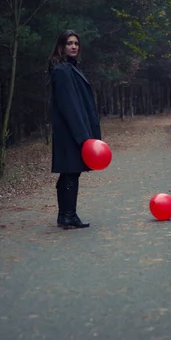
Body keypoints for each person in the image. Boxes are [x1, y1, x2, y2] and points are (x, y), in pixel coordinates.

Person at [48, 30, 101, 229]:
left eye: (76, 43)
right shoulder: (61, 71)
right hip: (69, 131)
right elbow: (69, 105)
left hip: (73, 130)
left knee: (70, 172)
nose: (74, 47)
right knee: (71, 171)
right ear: (61, 46)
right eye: (69, 43)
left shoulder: (70, 68)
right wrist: (82, 136)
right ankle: (68, 215)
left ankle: (65, 215)